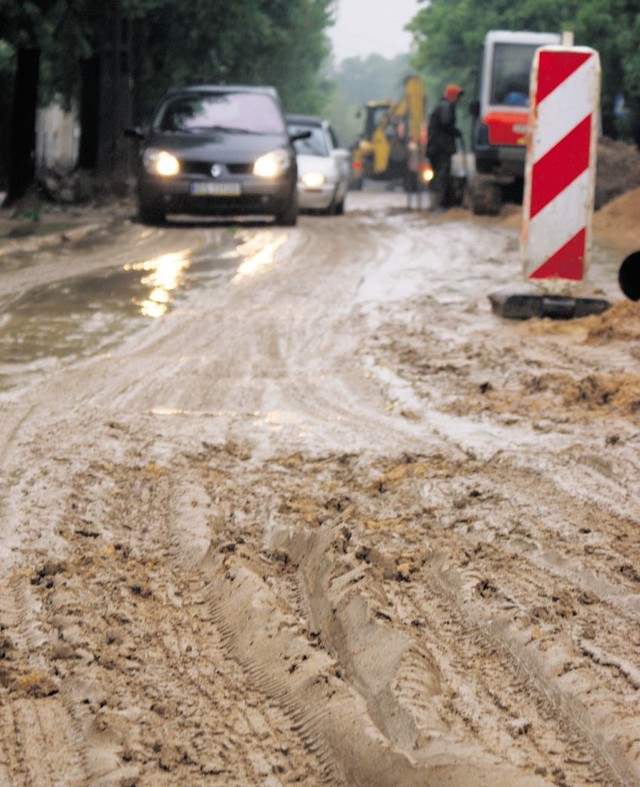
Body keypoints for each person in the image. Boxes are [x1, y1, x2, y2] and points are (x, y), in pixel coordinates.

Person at [426, 84, 464, 211]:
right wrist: (456, 132)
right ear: (452, 96)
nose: (458, 100)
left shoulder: (441, 106)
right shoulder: (446, 106)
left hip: (435, 149)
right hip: (441, 149)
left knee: (439, 175)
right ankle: (437, 205)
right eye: (457, 96)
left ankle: (437, 204)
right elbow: (446, 123)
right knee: (441, 175)